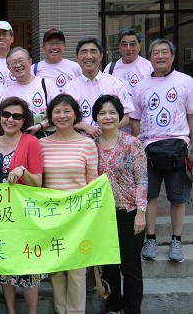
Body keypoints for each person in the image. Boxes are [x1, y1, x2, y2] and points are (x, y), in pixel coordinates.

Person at [131, 38, 193, 263]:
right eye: (155, 52)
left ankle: (176, 241)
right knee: (149, 197)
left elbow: (191, 116)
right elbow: (135, 119)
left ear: (173, 56)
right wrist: (138, 145)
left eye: (164, 52)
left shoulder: (186, 81)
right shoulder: (141, 85)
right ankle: (151, 239)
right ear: (150, 57)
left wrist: (192, 148)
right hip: (148, 148)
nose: (159, 56)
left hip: (178, 146)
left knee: (178, 198)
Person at [0, 96, 44, 314]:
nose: (10, 119)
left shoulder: (31, 142)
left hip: (23, 215)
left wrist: (23, 172)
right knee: (5, 265)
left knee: (28, 265)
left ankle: (32, 311)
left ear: (24, 120)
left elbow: (38, 181)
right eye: (6, 114)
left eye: (17, 116)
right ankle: (11, 310)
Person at [39, 94, 98, 314]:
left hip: (78, 217)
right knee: (56, 269)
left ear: (75, 115)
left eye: (67, 111)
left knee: (76, 270)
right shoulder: (41, 144)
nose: (62, 116)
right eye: (57, 111)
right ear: (50, 116)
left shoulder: (87, 144)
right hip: (51, 216)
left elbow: (92, 182)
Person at [92, 95, 147, 314]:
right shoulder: (91, 145)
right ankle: (113, 307)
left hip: (129, 213)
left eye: (112, 112)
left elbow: (142, 180)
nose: (107, 117)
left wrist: (141, 213)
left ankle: (133, 309)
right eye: (102, 113)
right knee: (109, 266)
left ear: (120, 115)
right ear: (96, 117)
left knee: (131, 267)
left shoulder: (132, 143)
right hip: (102, 215)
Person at [64, 37, 134, 138]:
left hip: (111, 142)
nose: (88, 56)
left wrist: (106, 130)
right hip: (81, 143)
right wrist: (84, 126)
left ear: (101, 56)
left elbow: (126, 117)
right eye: (84, 52)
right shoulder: (69, 88)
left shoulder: (115, 83)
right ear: (77, 57)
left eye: (93, 51)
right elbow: (65, 119)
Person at [103, 28, 153, 134]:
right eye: (124, 44)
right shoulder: (111, 68)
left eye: (133, 44)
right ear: (119, 47)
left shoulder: (149, 67)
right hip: (118, 127)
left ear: (140, 45)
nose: (128, 48)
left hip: (144, 127)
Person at [31, 29, 82, 93]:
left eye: (58, 43)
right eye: (50, 43)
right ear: (43, 47)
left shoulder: (74, 67)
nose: (54, 47)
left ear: (64, 46)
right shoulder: (34, 69)